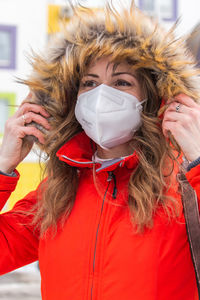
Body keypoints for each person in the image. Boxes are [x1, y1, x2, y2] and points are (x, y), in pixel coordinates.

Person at [0, 2, 200, 300]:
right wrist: (3, 167)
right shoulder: (56, 195)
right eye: (89, 83)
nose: (101, 95)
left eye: (121, 82)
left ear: (154, 98)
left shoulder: (182, 192)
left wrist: (197, 159)